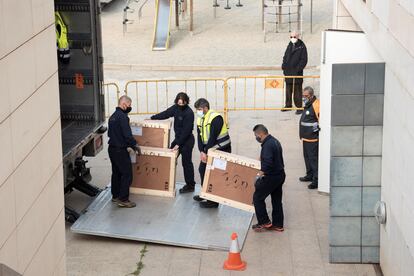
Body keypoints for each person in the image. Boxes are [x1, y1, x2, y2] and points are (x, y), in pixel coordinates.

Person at [150, 92, 196, 194]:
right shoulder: (175, 108)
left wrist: (178, 145)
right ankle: (164, 181)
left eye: (182, 104)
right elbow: (166, 113)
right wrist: (152, 118)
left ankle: (190, 185)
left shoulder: (189, 113)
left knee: (186, 163)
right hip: (178, 139)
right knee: (168, 159)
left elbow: (186, 131)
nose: (180, 106)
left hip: (187, 140)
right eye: (178, 103)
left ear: (186, 102)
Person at [193, 98, 231, 208]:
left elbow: (213, 137)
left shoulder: (216, 118)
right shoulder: (200, 118)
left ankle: (213, 202)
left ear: (206, 108)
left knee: (214, 174)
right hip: (209, 150)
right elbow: (199, 136)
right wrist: (201, 151)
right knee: (202, 170)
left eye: (199, 109)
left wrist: (205, 152)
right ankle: (206, 194)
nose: (198, 112)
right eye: (197, 110)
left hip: (220, 149)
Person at [108, 95, 141, 208]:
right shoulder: (123, 117)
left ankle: (115, 196)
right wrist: (134, 144)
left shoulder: (112, 117)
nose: (130, 107)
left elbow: (111, 134)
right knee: (127, 174)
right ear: (124, 104)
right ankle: (123, 199)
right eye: (129, 105)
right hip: (120, 151)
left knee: (116, 173)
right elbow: (127, 135)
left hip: (112, 149)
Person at [252, 124, 286, 232]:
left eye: (256, 135)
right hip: (280, 175)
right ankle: (278, 224)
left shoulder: (267, 145)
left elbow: (267, 164)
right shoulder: (274, 141)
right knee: (276, 200)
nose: (256, 137)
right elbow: (273, 157)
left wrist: (258, 175)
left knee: (257, 197)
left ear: (261, 134)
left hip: (271, 177)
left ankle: (264, 221)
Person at [281, 31, 308, 115]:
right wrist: (284, 66)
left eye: (294, 37)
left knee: (297, 91)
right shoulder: (289, 45)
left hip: (297, 73)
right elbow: (285, 57)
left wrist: (298, 69)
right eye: (291, 37)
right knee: (288, 90)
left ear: (298, 37)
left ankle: (299, 107)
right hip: (288, 72)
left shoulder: (302, 46)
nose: (292, 38)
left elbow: (304, 60)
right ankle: (288, 105)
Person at [299, 86, 320, 189]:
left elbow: (320, 120)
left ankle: (316, 180)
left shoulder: (316, 105)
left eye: (306, 96)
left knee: (313, 160)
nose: (304, 97)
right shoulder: (308, 104)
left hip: (313, 139)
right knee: (307, 158)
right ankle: (309, 175)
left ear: (311, 95)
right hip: (306, 138)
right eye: (303, 95)